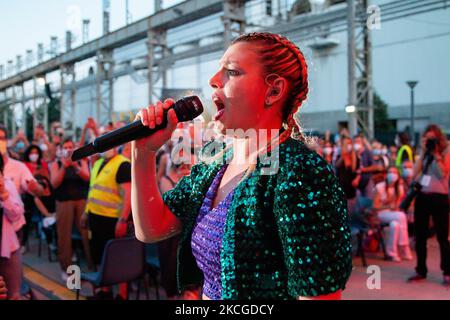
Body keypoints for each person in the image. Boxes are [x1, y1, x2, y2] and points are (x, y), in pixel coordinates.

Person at [131, 32, 352, 300]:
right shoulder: (215, 162)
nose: (213, 80)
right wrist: (143, 153)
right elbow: (153, 228)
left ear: (273, 90)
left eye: (232, 72)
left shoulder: (299, 172)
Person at [80, 129, 132, 300]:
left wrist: (123, 220)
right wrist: (86, 213)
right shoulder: (96, 164)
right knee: (101, 256)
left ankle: (122, 295)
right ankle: (105, 292)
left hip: (113, 220)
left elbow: (128, 195)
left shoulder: (122, 164)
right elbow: (92, 191)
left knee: (118, 260)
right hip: (96, 218)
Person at [408, 124, 450, 285]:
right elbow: (414, 173)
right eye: (427, 138)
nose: (430, 141)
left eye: (432, 138)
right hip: (423, 197)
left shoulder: (446, 152)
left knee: (442, 236)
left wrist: (435, 154)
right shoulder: (424, 153)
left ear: (439, 138)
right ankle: (420, 270)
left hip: (439, 197)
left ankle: (447, 271)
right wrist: (424, 153)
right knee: (420, 236)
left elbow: (443, 173)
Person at [50, 138, 93, 281]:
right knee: (64, 236)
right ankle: (66, 268)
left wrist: (75, 167)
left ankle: (91, 266)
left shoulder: (81, 161)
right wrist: (64, 166)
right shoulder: (56, 164)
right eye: (66, 147)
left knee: (86, 233)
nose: (68, 149)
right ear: (61, 150)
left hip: (81, 200)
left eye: (71, 146)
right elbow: (54, 183)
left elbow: (88, 178)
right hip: (64, 202)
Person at [372, 166, 412, 262]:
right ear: (386, 174)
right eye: (390, 172)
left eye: (394, 173)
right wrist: (387, 206)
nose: (392, 175)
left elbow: (397, 206)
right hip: (380, 214)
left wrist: (393, 207)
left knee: (395, 225)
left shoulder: (399, 188)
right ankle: (404, 247)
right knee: (402, 216)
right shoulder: (380, 187)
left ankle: (392, 253)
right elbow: (375, 207)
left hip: (393, 214)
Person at [0, 154, 25, 299]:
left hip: (7, 248)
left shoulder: (7, 184)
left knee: (13, 293)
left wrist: (4, 195)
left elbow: (16, 215)